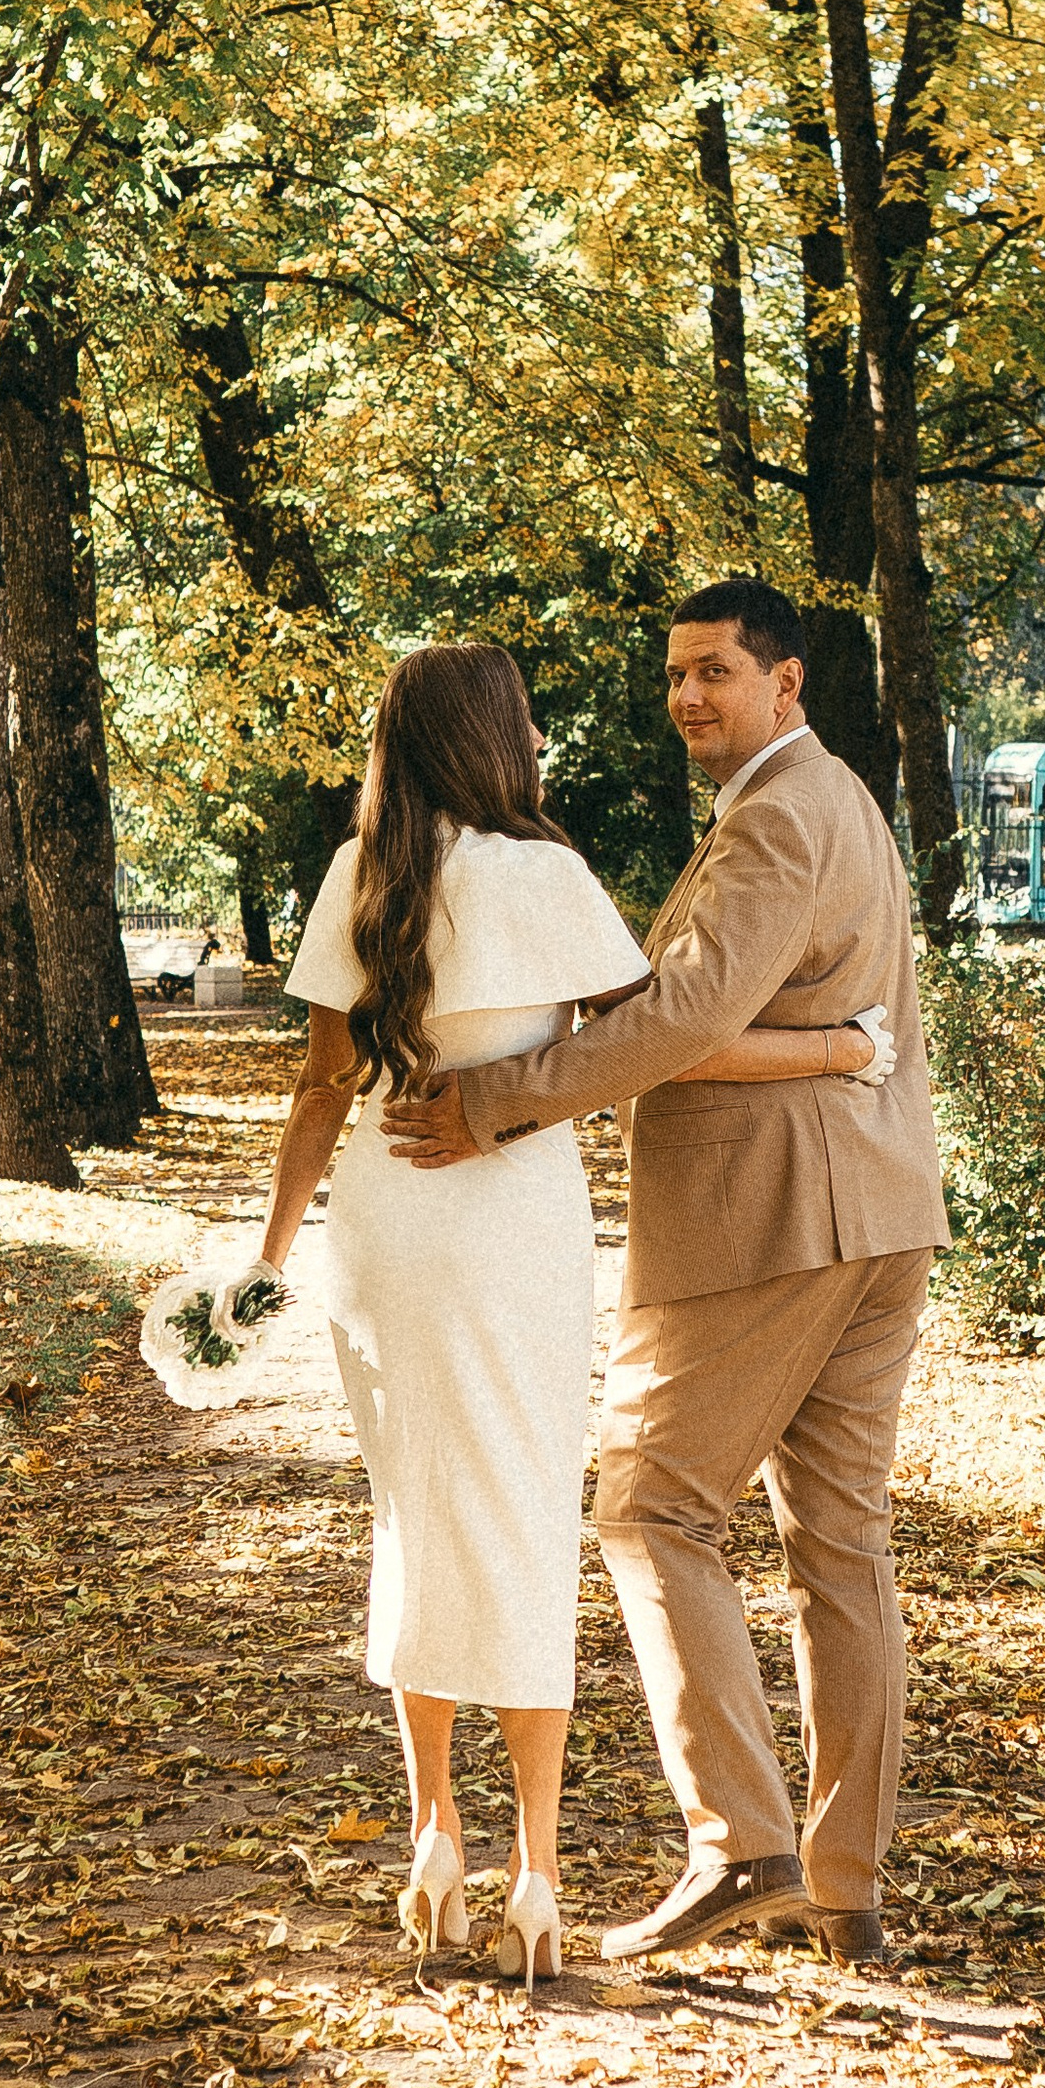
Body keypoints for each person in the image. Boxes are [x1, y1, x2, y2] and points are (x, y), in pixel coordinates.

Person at [251, 640, 884, 1991]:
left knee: (415, 1512)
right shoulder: (545, 875)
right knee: (527, 1514)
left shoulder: (358, 877)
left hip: (382, 1216)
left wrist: (268, 1254)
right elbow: (675, 1039)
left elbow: (317, 1087)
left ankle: (434, 1837)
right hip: (508, 1220)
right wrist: (841, 1050)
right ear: (497, 739)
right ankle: (536, 1869)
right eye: (526, 722)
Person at [384, 576, 948, 1970]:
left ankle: (742, 1846)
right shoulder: (838, 803)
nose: (691, 695)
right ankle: (845, 1885)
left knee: (651, 1509)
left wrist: (501, 1098)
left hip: (772, 1217)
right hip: (875, 1205)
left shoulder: (776, 817)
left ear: (787, 683)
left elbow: (685, 1017)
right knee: (841, 1546)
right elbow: (758, 1011)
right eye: (677, 675)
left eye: (717, 671)